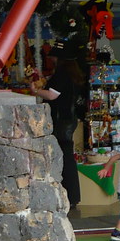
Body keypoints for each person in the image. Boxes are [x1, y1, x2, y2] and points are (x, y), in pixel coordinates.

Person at [30, 39, 87, 210]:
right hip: (70, 119)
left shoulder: (61, 73)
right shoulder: (74, 73)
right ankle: (73, 196)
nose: (52, 59)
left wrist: (35, 91)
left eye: (54, 56)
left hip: (61, 121)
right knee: (68, 158)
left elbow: (52, 95)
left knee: (63, 159)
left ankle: (69, 195)